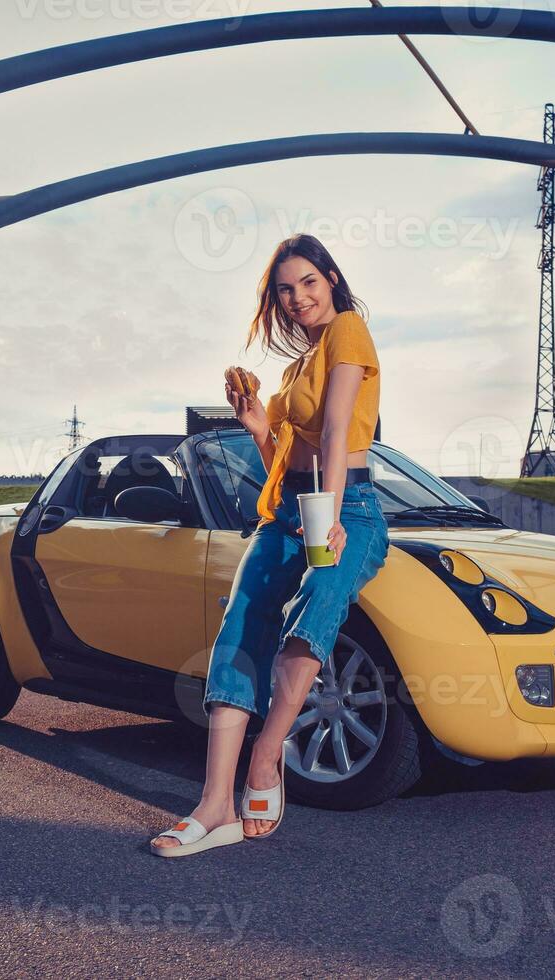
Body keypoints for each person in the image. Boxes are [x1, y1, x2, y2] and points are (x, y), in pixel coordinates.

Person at [150, 234, 390, 855]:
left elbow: (338, 428)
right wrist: (259, 423)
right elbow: (286, 458)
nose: (298, 297)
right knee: (240, 628)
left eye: (309, 282)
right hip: (289, 509)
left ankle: (265, 756)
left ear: (331, 279)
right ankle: (214, 805)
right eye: (286, 289)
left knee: (318, 608)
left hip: (350, 508)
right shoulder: (294, 368)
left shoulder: (349, 331)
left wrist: (332, 515)